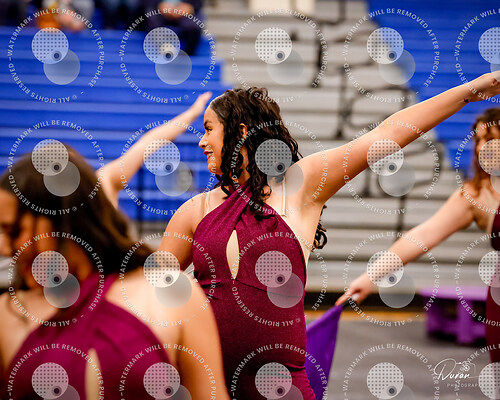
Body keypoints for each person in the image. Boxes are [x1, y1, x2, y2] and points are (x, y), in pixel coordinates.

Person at [154, 73, 500, 398]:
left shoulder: (298, 187)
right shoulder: (194, 210)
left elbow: (387, 134)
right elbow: (150, 291)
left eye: (208, 129)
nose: (201, 141)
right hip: (206, 385)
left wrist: (470, 91)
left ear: (241, 131)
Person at [0, 149, 229, 399]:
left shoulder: (171, 296)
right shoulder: (8, 313)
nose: (5, 248)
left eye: (14, 231)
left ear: (57, 220)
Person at [336, 106, 500, 362]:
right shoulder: (476, 194)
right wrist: (370, 277)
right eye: (478, 140)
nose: (480, 148)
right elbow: (422, 236)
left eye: (490, 140)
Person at [101, 91, 212, 208]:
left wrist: (192, 113)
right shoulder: (103, 182)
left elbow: (149, 142)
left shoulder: (103, 182)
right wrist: (192, 113)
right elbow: (148, 142)